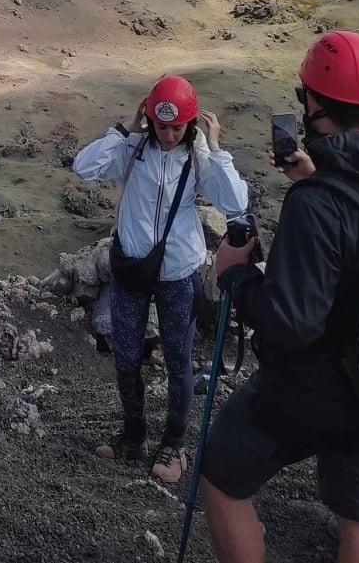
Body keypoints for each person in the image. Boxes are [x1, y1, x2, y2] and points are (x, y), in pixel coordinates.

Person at [204, 29, 359, 563]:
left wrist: (236, 277)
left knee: (219, 478)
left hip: (311, 388)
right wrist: (318, 173)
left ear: (316, 102)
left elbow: (291, 323)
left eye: (305, 94)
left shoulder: (314, 204)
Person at [73, 75, 249, 484]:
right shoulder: (133, 150)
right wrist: (125, 130)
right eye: (160, 125)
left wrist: (216, 146)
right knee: (126, 357)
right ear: (149, 119)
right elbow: (84, 167)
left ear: (191, 124)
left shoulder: (198, 157)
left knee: (177, 360)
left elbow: (236, 202)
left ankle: (175, 445)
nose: (168, 135)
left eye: (177, 127)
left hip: (177, 273)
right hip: (132, 268)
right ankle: (133, 436)